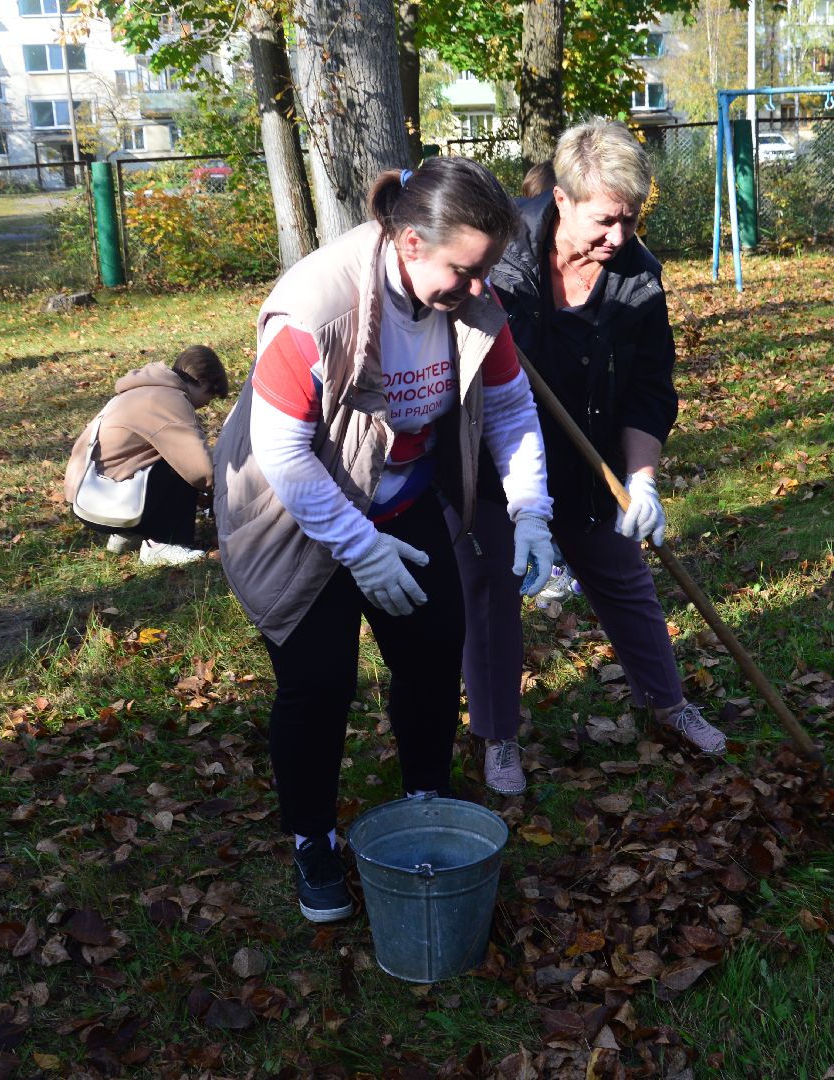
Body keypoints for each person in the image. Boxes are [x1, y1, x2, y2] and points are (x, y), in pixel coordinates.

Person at [213, 157, 556, 922]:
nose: (477, 292)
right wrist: (358, 549)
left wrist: (532, 510)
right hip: (292, 516)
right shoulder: (317, 307)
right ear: (406, 243)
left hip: (402, 503)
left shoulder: (474, 298)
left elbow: (509, 409)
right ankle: (312, 841)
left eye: (486, 273)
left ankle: (425, 799)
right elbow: (283, 453)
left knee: (434, 653)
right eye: (463, 273)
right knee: (318, 684)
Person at [451, 119, 728, 798]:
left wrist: (640, 482)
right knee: (491, 595)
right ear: (562, 199)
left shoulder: (636, 277)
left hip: (591, 459)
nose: (620, 238)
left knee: (626, 579)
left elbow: (649, 390)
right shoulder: (499, 258)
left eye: (631, 221)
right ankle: (498, 735)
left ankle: (667, 703)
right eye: (606, 221)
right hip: (497, 469)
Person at [63, 344, 228, 565]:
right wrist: (227, 493)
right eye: (210, 394)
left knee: (163, 456)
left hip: (87, 497)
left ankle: (129, 533)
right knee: (179, 460)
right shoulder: (170, 399)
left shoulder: (140, 391)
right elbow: (202, 470)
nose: (207, 404)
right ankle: (163, 544)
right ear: (203, 381)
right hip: (108, 502)